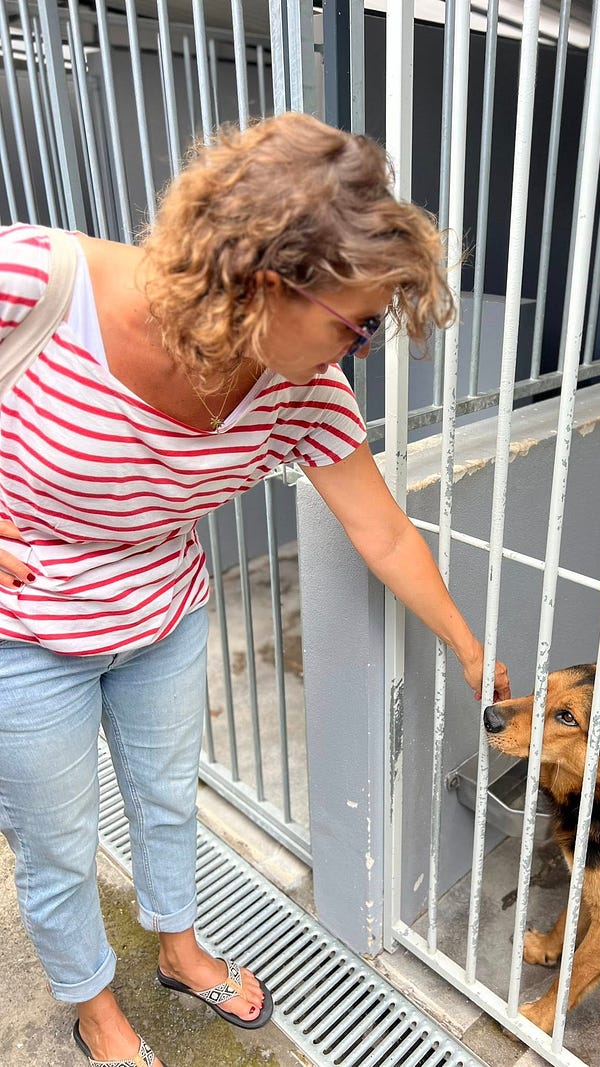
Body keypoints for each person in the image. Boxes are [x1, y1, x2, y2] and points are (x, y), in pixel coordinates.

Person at [0, 111, 511, 1066]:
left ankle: (180, 946)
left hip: (164, 613)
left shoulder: (301, 388)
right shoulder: (39, 281)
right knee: (57, 838)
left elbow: (381, 528)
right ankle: (94, 1005)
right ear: (267, 279)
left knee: (164, 798)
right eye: (354, 324)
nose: (358, 347)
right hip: (23, 632)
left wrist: (466, 642)